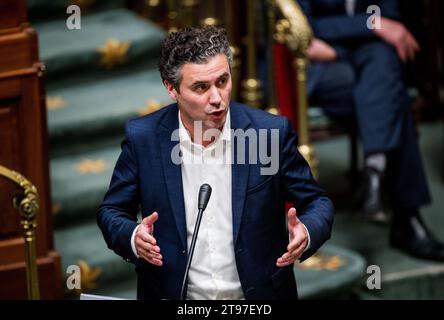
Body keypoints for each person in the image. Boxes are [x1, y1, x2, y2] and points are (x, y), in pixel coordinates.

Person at [97, 26, 334, 300]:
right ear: (172, 89)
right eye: (201, 87)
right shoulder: (144, 139)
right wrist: (133, 236)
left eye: (222, 81)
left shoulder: (268, 134)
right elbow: (112, 211)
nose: (217, 98)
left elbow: (318, 202)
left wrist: (306, 230)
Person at [298, 0, 444, 261]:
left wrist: (368, 29)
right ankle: (404, 215)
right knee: (392, 98)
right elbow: (306, 28)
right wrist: (372, 24)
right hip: (318, 65)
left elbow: (392, 18)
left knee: (383, 72)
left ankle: (375, 173)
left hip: (365, 56)